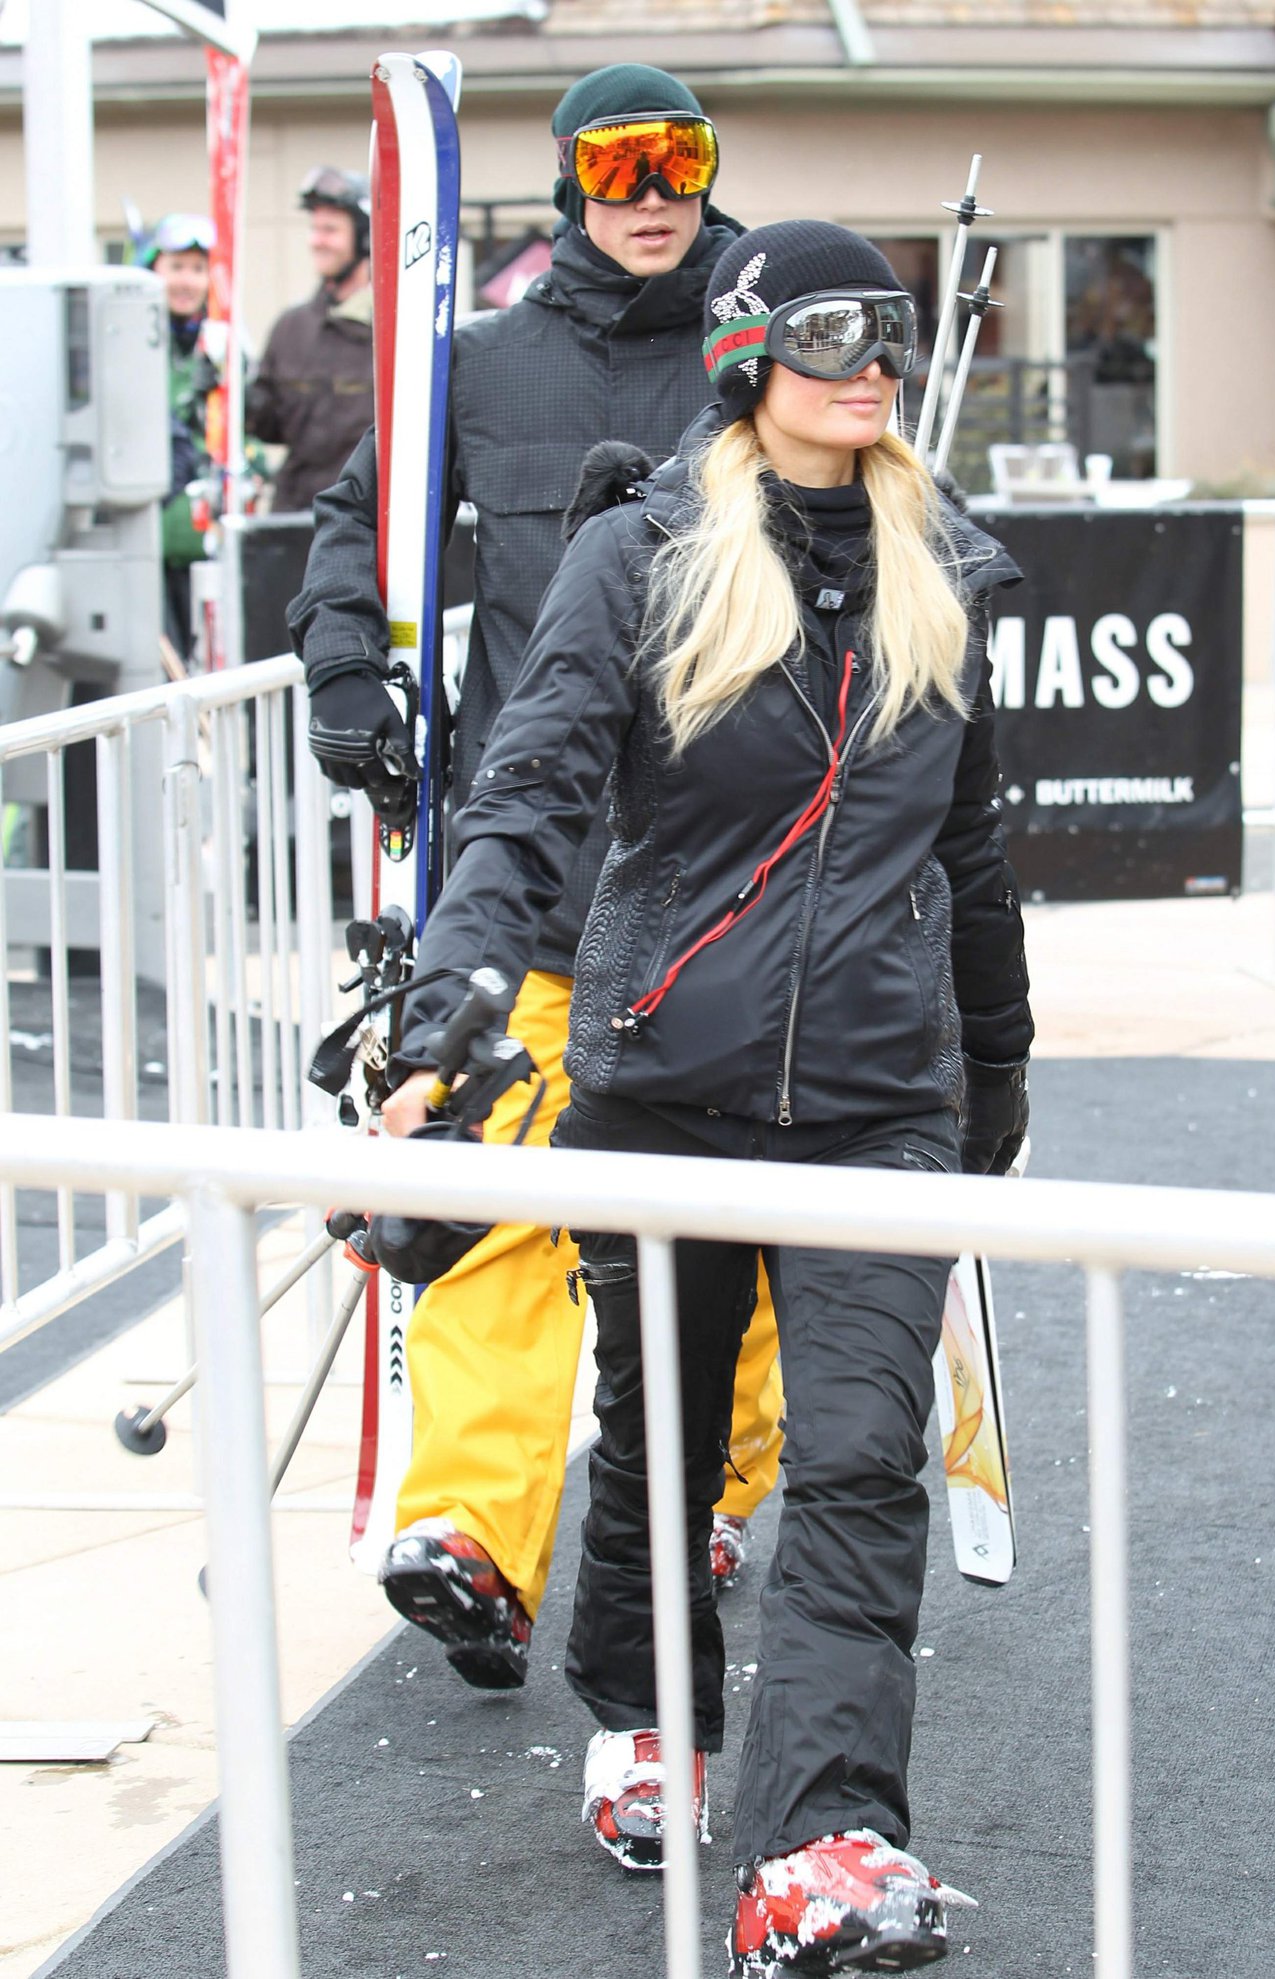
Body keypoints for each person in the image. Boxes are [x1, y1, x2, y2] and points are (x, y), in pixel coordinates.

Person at [388, 220, 1032, 1970]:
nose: (867, 359)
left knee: (858, 1457)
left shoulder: (938, 567)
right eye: (826, 330)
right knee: (661, 1437)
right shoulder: (643, 551)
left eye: (887, 328)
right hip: (664, 1081)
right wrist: (451, 994)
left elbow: (970, 850)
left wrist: (995, 1068)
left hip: (879, 1098)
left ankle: (821, 1837)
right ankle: (645, 1712)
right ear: (749, 357)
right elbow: (530, 785)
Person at [289, 65, 786, 1697]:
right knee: (493, 1186)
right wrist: (347, 672)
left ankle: (720, 1483)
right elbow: (354, 531)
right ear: (571, 181)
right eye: (615, 163)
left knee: (736, 1211)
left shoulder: (768, 352)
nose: (650, 192)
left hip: (735, 868)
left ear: (708, 170)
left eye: (677, 158)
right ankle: (471, 1535)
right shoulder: (482, 367)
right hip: (538, 862)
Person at [249, 167, 373, 515]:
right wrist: (235, 395)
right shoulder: (292, 328)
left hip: (365, 521)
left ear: (365, 237)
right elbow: (268, 426)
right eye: (314, 229)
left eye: (330, 230)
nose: (317, 240)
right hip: (297, 518)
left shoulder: (395, 332)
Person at [143, 213, 216, 660]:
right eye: (176, 267)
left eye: (197, 269)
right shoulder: (134, 343)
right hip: (148, 543)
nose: (186, 281)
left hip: (204, 545)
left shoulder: (222, 345)